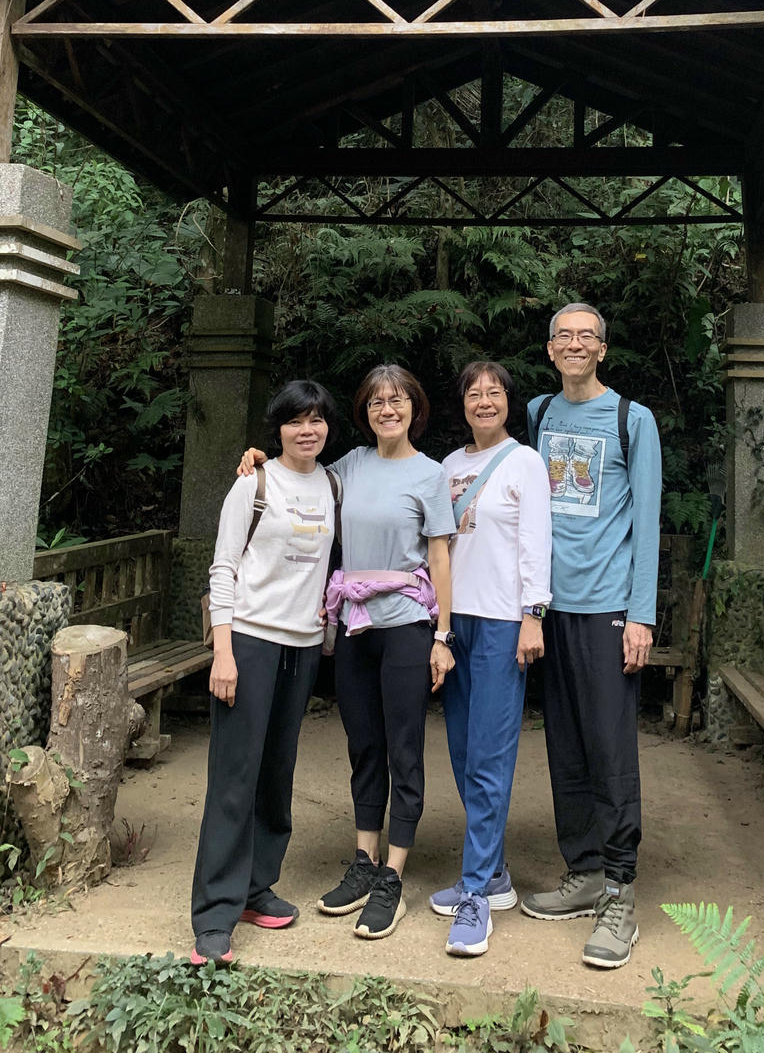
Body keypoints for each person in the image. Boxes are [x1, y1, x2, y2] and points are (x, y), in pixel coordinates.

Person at [238, 363, 455, 941]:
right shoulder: (349, 467)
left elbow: (440, 557)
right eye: (377, 401)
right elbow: (298, 476)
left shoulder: (431, 475)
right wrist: (260, 461)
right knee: (364, 746)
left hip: (407, 624)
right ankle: (364, 860)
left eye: (398, 399)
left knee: (404, 748)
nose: (388, 410)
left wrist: (443, 636)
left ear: (414, 408)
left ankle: (393, 875)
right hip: (355, 627)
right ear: (364, 412)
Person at [521, 303, 661, 972]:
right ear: (550, 349)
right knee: (566, 747)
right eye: (564, 336)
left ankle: (619, 890)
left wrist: (642, 616)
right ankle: (582, 872)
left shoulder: (634, 420)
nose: (575, 344)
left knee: (610, 752)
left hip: (608, 608)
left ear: (603, 349)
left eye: (587, 336)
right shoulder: (538, 414)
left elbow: (648, 522)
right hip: (551, 609)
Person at [190, 379, 341, 967]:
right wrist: (223, 652)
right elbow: (223, 567)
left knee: (277, 772)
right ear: (277, 429)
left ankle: (256, 888)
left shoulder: (333, 484)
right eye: (295, 420)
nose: (307, 430)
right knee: (235, 776)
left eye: (316, 419)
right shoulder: (252, 484)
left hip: (302, 647)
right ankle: (214, 916)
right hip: (249, 642)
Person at [429, 360, 552, 958]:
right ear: (463, 404)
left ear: (508, 402)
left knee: (490, 756)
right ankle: (494, 873)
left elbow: (536, 541)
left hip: (506, 622)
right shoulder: (449, 466)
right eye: (474, 392)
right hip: (456, 624)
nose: (484, 401)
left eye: (494, 392)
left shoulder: (525, 462)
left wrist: (534, 614)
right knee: (461, 749)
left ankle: (476, 891)